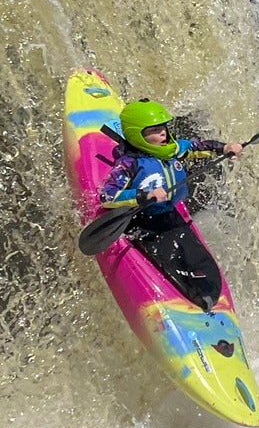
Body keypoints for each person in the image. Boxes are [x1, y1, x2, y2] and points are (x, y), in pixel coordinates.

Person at [100, 98, 241, 310]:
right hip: (143, 223)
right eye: (155, 131)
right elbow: (107, 195)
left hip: (170, 218)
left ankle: (205, 296)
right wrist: (143, 195)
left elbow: (197, 146)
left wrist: (225, 148)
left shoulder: (172, 149)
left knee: (198, 259)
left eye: (163, 128)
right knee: (170, 260)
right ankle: (184, 296)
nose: (163, 134)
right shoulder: (130, 163)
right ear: (138, 135)